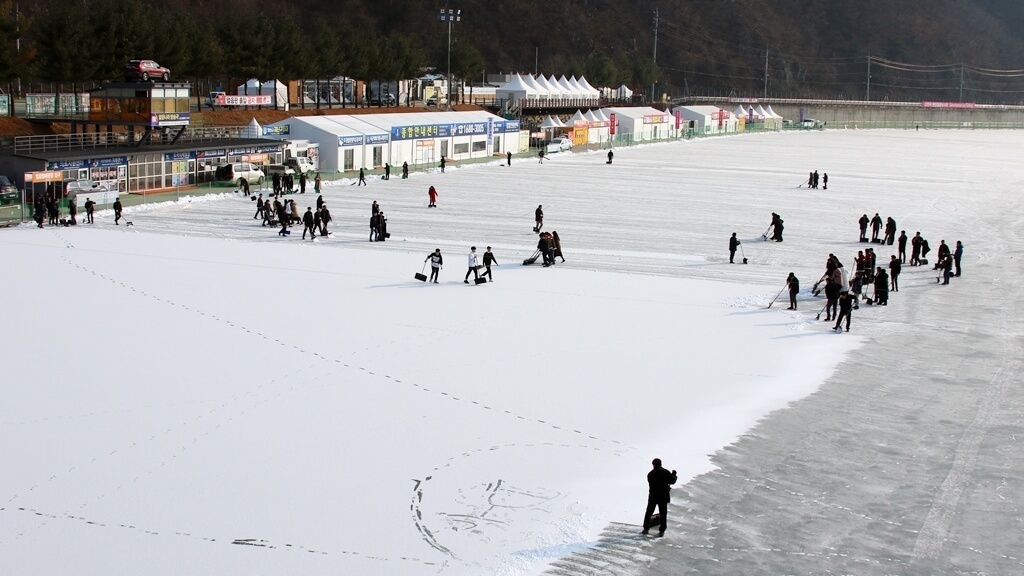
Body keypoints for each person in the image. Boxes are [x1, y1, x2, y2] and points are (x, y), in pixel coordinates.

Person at [641, 458, 677, 536]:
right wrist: (674, 475)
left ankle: (646, 528)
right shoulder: (665, 472)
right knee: (663, 513)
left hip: (653, 496)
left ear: (653, 464)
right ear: (660, 464)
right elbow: (672, 481)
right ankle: (662, 530)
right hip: (663, 496)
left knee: (649, 512)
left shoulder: (650, 474)